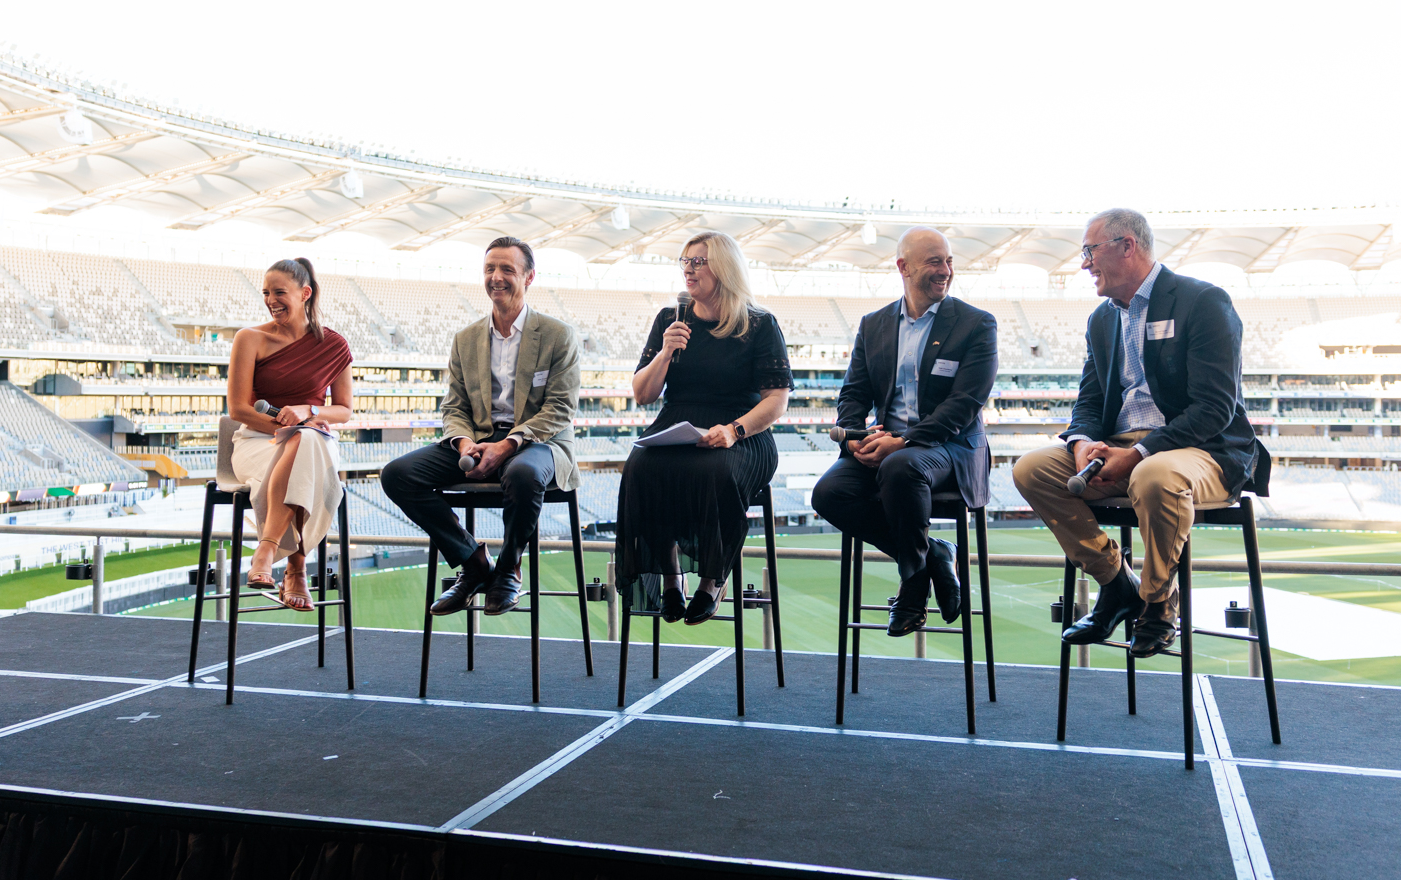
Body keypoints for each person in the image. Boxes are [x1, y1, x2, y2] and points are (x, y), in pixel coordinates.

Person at [1012, 208, 1264, 657]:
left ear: (1127, 246)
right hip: (1121, 448)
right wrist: (1081, 443)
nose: (1084, 264)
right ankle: (1116, 582)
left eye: (1090, 251)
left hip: (1202, 449)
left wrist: (1141, 453)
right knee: (1031, 469)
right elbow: (1090, 400)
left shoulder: (1203, 301)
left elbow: (1215, 408)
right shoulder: (1101, 320)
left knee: (1153, 475)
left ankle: (1158, 601)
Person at [811, 227, 998, 636]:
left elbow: (965, 403)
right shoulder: (874, 324)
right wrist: (856, 436)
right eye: (934, 262)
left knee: (901, 467)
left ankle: (913, 587)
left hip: (949, 447)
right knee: (827, 494)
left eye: (948, 261)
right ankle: (933, 554)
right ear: (904, 267)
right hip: (887, 445)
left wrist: (904, 441)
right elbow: (854, 392)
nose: (945, 270)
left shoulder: (976, 324)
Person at [381, 236, 581, 617]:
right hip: (478, 439)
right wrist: (463, 443)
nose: (496, 277)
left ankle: (508, 568)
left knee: (523, 474)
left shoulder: (558, 335)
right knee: (397, 475)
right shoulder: (466, 339)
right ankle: (473, 562)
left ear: (529, 277)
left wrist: (508, 445)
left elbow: (560, 408)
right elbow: (454, 405)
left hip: (539, 442)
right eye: (490, 269)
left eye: (507, 269)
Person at [615, 231, 792, 624]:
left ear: (724, 268)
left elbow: (776, 400)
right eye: (686, 261)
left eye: (699, 261)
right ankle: (670, 577)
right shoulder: (670, 319)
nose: (689, 270)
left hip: (742, 432)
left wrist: (733, 430)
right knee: (641, 468)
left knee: (716, 472)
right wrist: (665, 352)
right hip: (677, 423)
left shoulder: (759, 323)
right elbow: (643, 394)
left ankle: (713, 580)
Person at [227, 258, 353, 612]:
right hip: (258, 441)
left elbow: (344, 410)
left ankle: (266, 551)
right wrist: (288, 430)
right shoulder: (250, 338)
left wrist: (309, 412)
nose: (271, 300)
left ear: (305, 293)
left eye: (279, 292)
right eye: (266, 293)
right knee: (303, 445)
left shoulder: (335, 345)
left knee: (306, 442)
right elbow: (238, 409)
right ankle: (296, 569)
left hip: (314, 439)